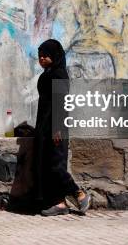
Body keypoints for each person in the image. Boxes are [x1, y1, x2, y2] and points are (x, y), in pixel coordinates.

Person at [33, 39, 90, 216]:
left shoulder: (59, 75)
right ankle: (59, 203)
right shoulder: (47, 74)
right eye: (40, 56)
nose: (42, 59)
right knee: (47, 166)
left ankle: (78, 194)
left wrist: (57, 127)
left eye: (46, 55)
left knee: (56, 166)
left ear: (55, 56)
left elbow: (61, 102)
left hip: (56, 127)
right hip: (44, 127)